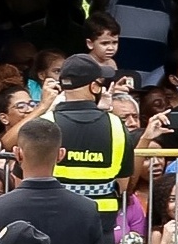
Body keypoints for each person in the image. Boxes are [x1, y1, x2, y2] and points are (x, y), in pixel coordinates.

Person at [48, 52, 132, 220]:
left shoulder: (45, 124)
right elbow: (123, 183)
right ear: (94, 87)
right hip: (101, 220)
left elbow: (24, 180)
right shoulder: (116, 125)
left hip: (54, 218)